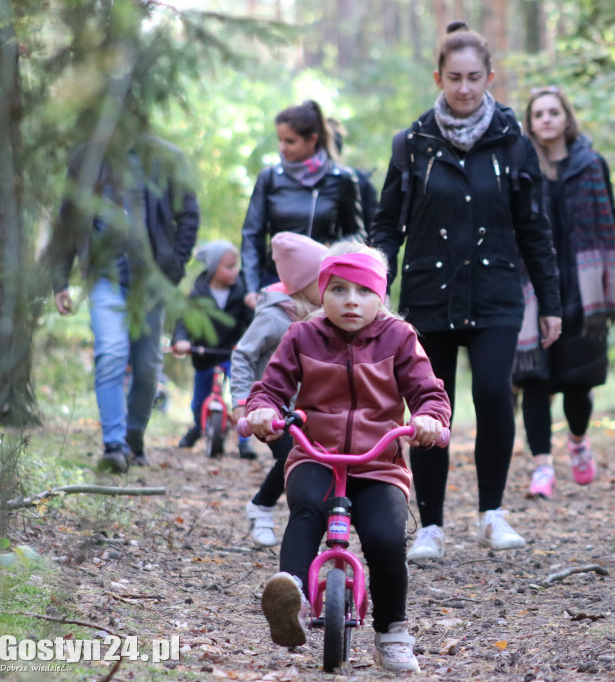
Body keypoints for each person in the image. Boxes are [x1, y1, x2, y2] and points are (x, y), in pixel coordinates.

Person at [368, 21, 562, 563]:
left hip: (497, 291)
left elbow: (535, 228)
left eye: (475, 78)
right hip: (429, 293)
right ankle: (430, 524)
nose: (464, 88)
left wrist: (551, 303)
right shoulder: (412, 145)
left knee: (495, 394)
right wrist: (376, 284)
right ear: (439, 77)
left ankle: (492, 514)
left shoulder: (513, 142)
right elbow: (387, 225)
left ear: (490, 77)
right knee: (432, 406)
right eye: (454, 78)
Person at [245, 243, 450, 673]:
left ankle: (392, 632)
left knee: (385, 538)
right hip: (316, 454)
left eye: (362, 291)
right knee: (305, 510)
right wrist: (262, 410)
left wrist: (430, 419)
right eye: (338, 289)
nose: (351, 301)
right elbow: (271, 386)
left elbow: (427, 391)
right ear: (322, 293)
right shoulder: (302, 335)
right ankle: (293, 597)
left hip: (379, 462)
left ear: (381, 296)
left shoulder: (399, 337)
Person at [50, 136, 200, 473]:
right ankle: (114, 445)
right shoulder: (86, 156)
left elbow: (188, 214)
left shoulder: (168, 156)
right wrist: (60, 279)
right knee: (111, 353)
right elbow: (68, 218)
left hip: (152, 280)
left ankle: (134, 436)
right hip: (104, 277)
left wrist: (173, 269)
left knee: (147, 366)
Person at [515, 86, 615, 499]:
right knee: (534, 380)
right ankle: (542, 467)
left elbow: (610, 220)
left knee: (579, 382)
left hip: (584, 289)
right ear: (530, 122)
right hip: (533, 289)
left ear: (566, 117)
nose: (545, 119)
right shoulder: (522, 168)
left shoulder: (592, 164)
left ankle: (578, 441)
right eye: (538, 113)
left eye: (552, 112)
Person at [230, 232, 329, 547]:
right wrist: (241, 402)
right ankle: (262, 506)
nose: (330, 284)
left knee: (310, 459)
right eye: (322, 279)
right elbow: (243, 354)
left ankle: (293, 514)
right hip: (271, 407)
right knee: (294, 458)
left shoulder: (320, 313)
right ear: (302, 283)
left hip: (305, 408)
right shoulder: (274, 317)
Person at [240, 100, 367, 310]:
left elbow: (358, 235)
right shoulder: (270, 178)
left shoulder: (342, 179)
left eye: (290, 141)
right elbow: (252, 235)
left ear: (312, 140)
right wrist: (251, 287)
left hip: (325, 287)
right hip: (275, 284)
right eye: (279, 140)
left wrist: (330, 251)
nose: (282, 148)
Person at [171, 240, 255, 458]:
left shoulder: (241, 291)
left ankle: (245, 440)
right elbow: (183, 322)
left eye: (235, 265)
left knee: (241, 396)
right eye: (228, 266)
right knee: (199, 399)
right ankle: (198, 427)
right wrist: (181, 340)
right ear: (213, 268)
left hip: (233, 353)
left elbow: (251, 322)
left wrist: (249, 343)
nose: (235, 271)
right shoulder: (197, 293)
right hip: (204, 354)